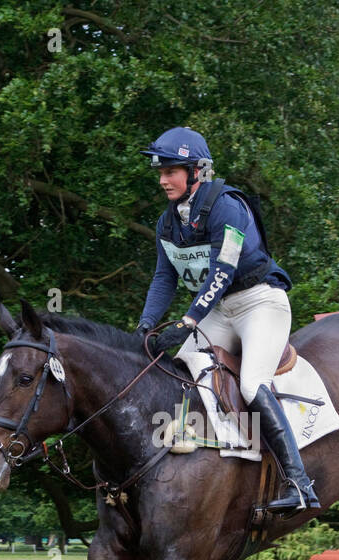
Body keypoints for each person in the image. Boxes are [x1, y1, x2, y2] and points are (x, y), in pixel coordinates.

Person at [135, 127, 320, 513]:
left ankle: (299, 483)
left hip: (260, 303)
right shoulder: (167, 223)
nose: (163, 179)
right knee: (177, 368)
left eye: (171, 171)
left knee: (252, 384)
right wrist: (146, 325)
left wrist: (187, 322)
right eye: (161, 172)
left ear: (196, 171)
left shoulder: (228, 206)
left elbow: (221, 272)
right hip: (218, 311)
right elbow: (164, 277)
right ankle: (191, 443)